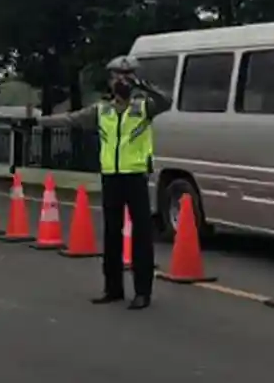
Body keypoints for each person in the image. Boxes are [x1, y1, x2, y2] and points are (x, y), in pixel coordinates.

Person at [33, 55, 171, 311]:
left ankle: (142, 292)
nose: (122, 80)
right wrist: (38, 122)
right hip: (111, 177)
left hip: (136, 176)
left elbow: (166, 102)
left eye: (127, 75)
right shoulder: (101, 110)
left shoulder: (143, 108)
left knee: (141, 236)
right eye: (117, 75)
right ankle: (113, 288)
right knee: (111, 234)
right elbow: (70, 119)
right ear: (110, 80)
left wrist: (144, 86)